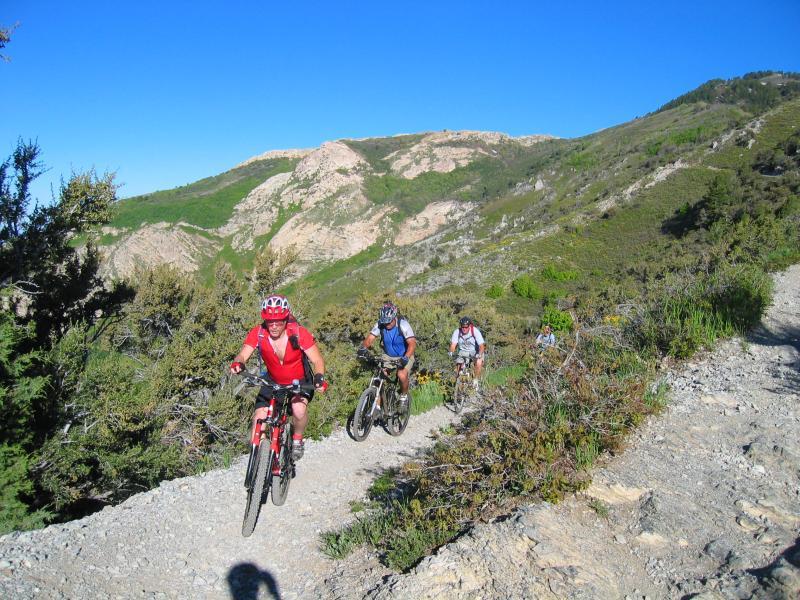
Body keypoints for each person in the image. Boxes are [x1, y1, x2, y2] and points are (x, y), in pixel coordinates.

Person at [230, 294, 327, 461]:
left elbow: (317, 360)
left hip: (300, 381)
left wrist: (319, 378)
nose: (274, 326)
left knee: (298, 409)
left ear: (286, 318)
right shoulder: (258, 333)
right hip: (273, 380)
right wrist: (238, 363)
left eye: (279, 321)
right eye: (269, 321)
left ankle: (297, 438)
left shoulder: (298, 333)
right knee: (259, 418)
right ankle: (260, 464)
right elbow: (242, 355)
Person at [357, 302, 416, 410]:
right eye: (385, 322)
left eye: (389, 322)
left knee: (402, 374)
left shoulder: (403, 324)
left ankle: (403, 396)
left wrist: (406, 357)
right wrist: (362, 349)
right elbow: (370, 338)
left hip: (405, 354)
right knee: (378, 378)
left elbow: (412, 343)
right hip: (388, 355)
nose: (387, 325)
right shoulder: (380, 324)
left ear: (394, 318)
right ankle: (377, 408)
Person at [448, 316, 486, 388]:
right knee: (458, 364)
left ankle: (475, 380)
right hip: (463, 351)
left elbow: (482, 346)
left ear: (469, 326)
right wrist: (451, 352)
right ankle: (458, 381)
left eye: (466, 327)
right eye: (463, 327)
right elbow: (453, 345)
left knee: (478, 362)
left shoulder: (475, 331)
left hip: (475, 351)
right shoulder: (457, 332)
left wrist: (479, 354)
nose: (464, 329)